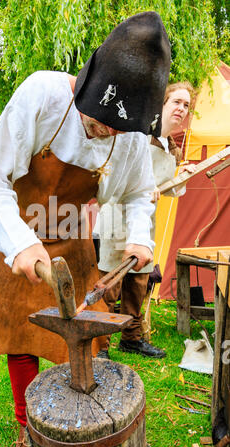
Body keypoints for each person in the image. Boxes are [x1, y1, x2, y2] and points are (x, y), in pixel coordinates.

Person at [0, 12, 171, 447]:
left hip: (73, 242)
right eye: (100, 121)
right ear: (87, 86)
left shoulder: (132, 136)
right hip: (15, 232)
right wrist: (21, 244)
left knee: (78, 338)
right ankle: (28, 427)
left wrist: (140, 236)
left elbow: (138, 194)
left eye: (119, 127)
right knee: (22, 335)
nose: (108, 131)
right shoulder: (41, 95)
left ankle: (76, 425)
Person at [96, 81, 196, 359]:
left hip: (145, 221)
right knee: (110, 284)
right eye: (176, 101)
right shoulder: (137, 134)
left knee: (138, 284)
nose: (181, 109)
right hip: (117, 215)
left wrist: (183, 176)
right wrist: (140, 185)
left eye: (186, 105)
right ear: (163, 104)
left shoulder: (173, 148)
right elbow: (110, 172)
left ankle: (131, 338)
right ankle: (100, 344)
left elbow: (170, 190)